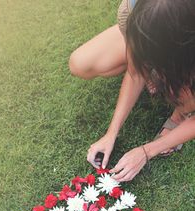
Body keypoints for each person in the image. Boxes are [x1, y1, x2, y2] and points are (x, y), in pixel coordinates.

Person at [68, 0, 195, 182]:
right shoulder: (135, 10)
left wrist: (147, 150)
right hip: (156, 23)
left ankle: (180, 114)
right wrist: (111, 133)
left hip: (178, 36)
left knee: (186, 94)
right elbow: (135, 74)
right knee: (79, 63)